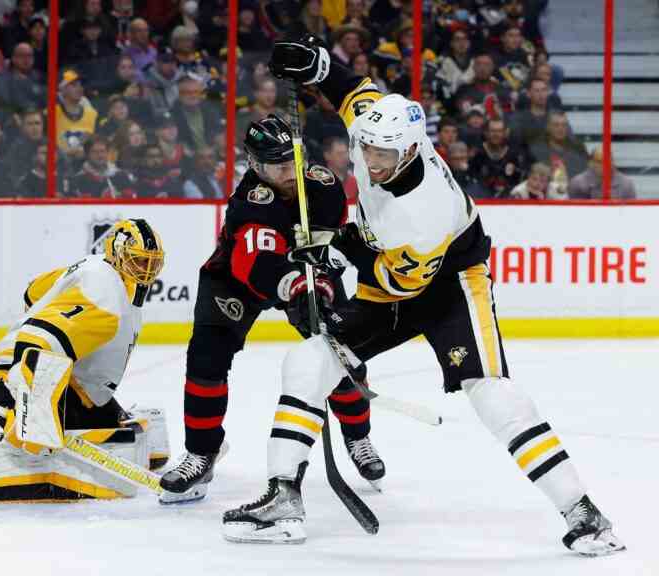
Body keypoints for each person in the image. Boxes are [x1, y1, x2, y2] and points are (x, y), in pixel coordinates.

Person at [220, 36, 626, 557]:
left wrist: (333, 257)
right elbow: (354, 91)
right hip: (392, 268)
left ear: (411, 149)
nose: (370, 159)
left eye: (382, 153)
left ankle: (583, 513)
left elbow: (396, 282)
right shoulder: (380, 132)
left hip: (450, 284)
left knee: (492, 392)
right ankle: (283, 498)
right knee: (308, 360)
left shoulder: (423, 211)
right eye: (364, 147)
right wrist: (318, 65)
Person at [158, 115, 386, 504]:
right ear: (255, 166)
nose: (289, 171)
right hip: (234, 282)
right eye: (278, 166)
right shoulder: (249, 202)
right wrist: (295, 285)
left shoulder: (325, 187)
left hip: (305, 276)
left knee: (343, 355)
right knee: (205, 359)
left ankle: (359, 438)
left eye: (292, 160)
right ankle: (201, 452)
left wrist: (323, 280)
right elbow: (256, 265)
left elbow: (335, 245)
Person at [0, 219, 170, 505]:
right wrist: (33, 408)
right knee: (47, 451)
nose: (145, 271)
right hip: (16, 379)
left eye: (151, 263)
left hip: (63, 383)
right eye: (137, 261)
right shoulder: (106, 295)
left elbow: (33, 292)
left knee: (128, 439)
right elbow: (36, 339)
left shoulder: (95, 269)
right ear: (116, 253)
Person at [470, 117, 525, 199]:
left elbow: (520, 180)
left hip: (508, 201)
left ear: (505, 132)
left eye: (499, 131)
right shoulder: (477, 153)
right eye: (492, 131)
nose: (496, 134)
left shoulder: (514, 154)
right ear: (486, 132)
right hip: (481, 200)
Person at [568, 147, 636, 201]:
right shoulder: (577, 183)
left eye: (609, 160)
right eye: (600, 162)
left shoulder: (626, 183)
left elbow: (631, 211)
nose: (605, 165)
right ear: (591, 163)